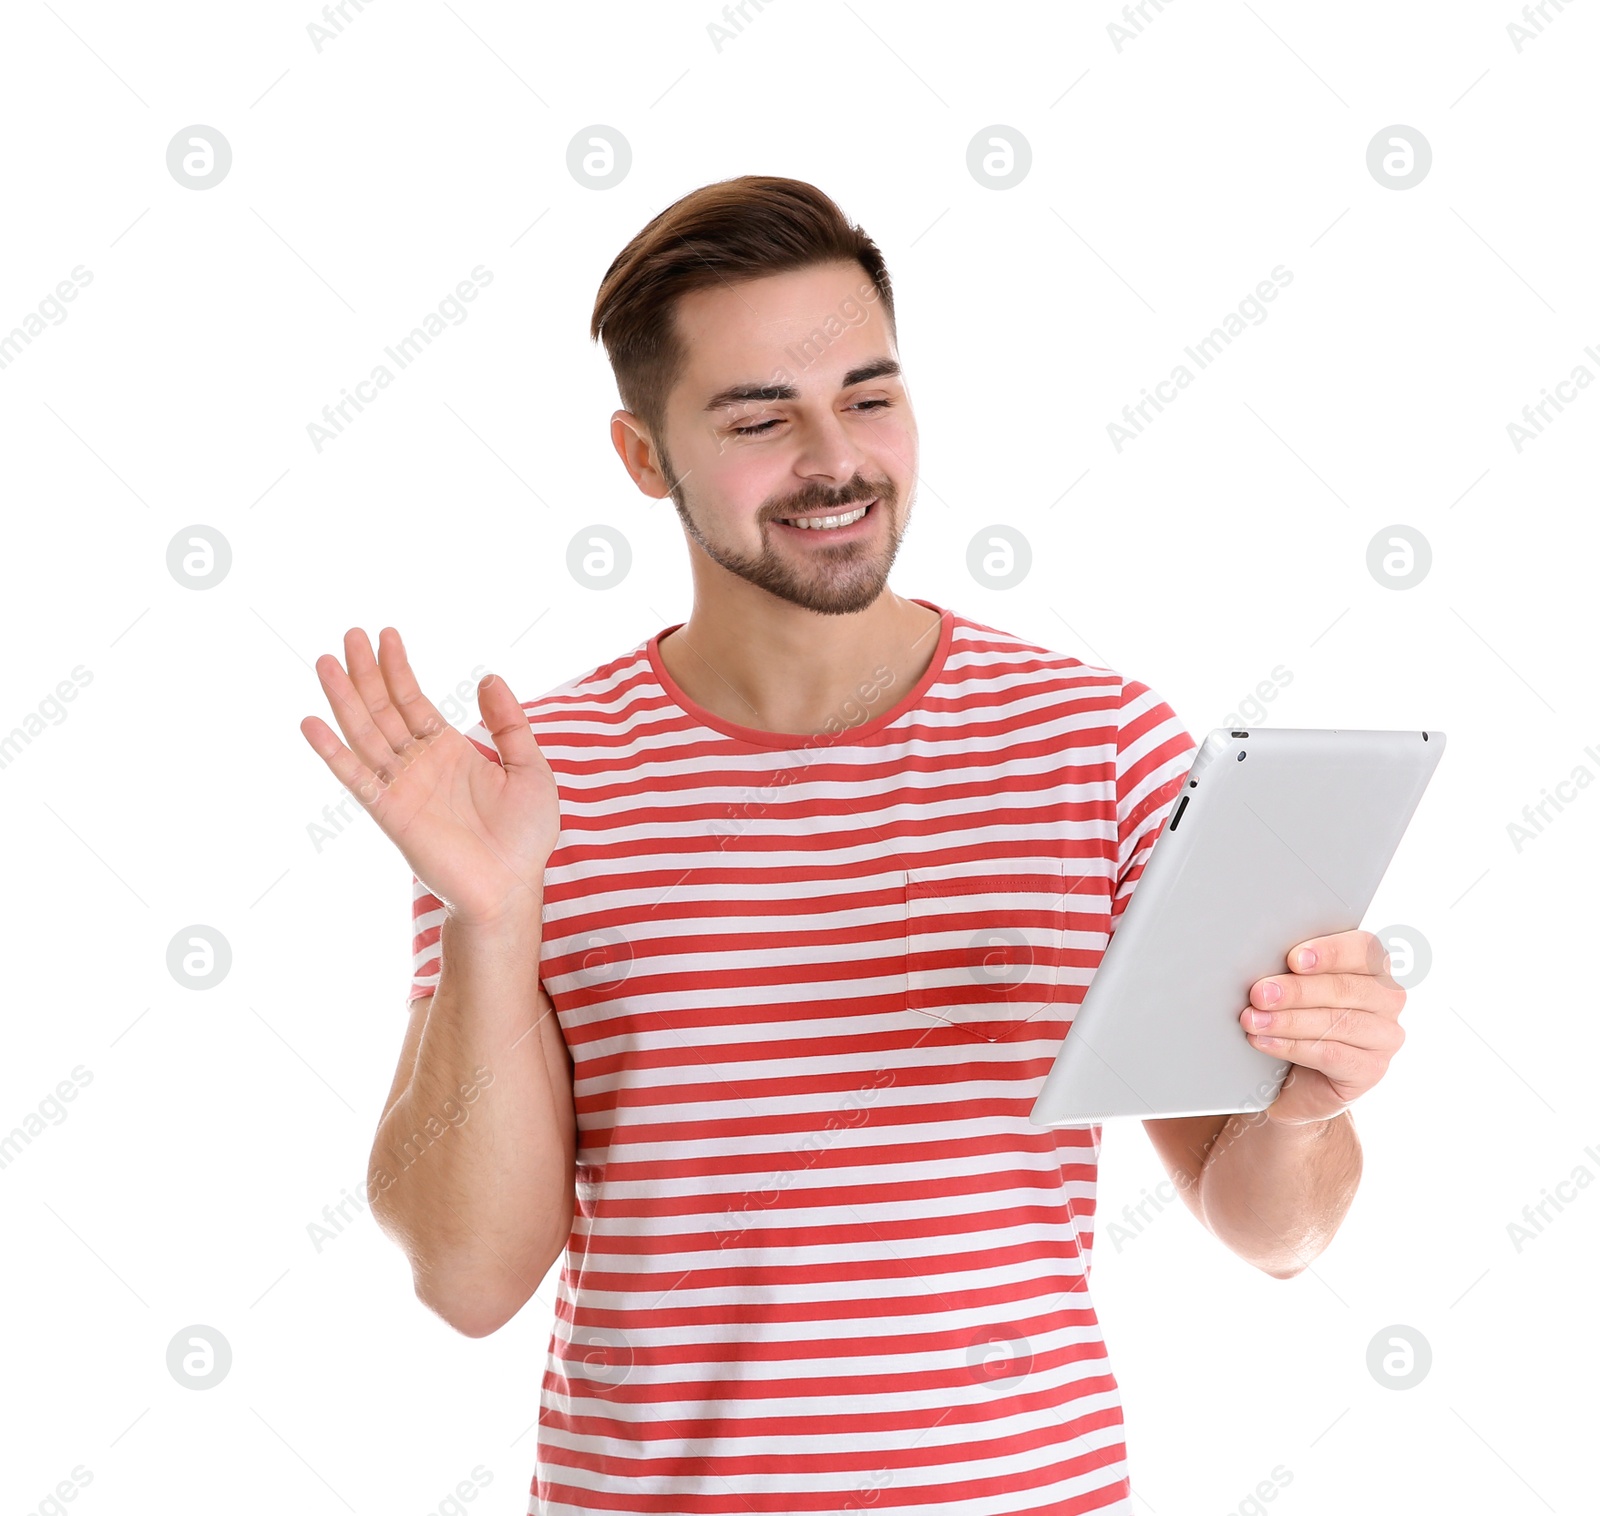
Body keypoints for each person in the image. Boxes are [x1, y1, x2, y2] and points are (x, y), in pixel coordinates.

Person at [299, 175, 1403, 1516]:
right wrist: (492, 918)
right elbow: (468, 1279)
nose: (837, 457)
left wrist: (1308, 1108)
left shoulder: (1097, 746)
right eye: (762, 417)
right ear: (645, 458)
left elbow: (1271, 1228)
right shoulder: (529, 786)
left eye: (869, 398)